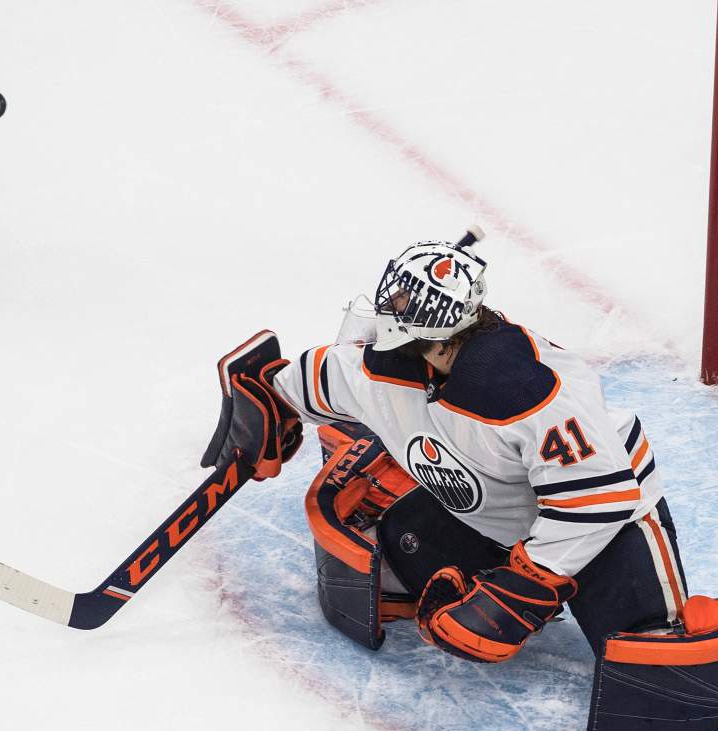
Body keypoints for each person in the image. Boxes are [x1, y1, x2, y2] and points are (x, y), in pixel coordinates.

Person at [201, 230, 688, 661]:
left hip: (605, 517)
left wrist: (526, 585)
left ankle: (646, 613)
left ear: (428, 321)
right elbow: (307, 379)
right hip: (487, 509)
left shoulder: (525, 391)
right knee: (390, 574)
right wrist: (268, 407)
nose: (389, 305)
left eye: (402, 300)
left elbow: (599, 499)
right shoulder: (386, 367)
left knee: (648, 658)